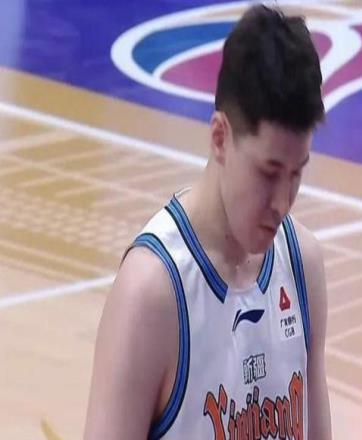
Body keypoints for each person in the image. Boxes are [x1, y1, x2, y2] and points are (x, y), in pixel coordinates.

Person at [84, 4, 331, 439]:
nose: (282, 202)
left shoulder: (301, 265)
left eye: (297, 173)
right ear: (220, 137)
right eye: (269, 172)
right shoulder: (151, 294)